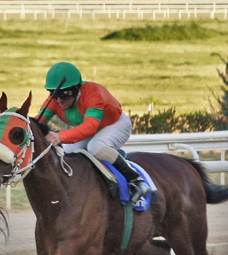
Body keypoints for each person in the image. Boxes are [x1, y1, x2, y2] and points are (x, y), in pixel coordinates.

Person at [38, 61, 151, 204]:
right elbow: (37, 121)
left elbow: (90, 127)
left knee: (95, 147)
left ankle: (136, 180)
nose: (59, 100)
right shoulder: (55, 100)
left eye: (65, 94)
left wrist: (59, 136)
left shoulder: (93, 94)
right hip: (92, 129)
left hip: (116, 124)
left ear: (76, 89)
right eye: (54, 95)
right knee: (68, 151)